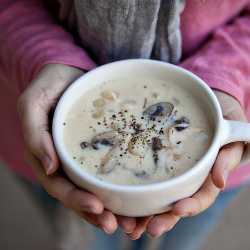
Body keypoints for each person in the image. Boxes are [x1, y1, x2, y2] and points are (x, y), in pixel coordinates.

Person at [1, 0, 250, 249]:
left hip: (215, 164)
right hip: (44, 136)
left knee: (181, 241)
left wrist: (225, 76)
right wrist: (39, 52)